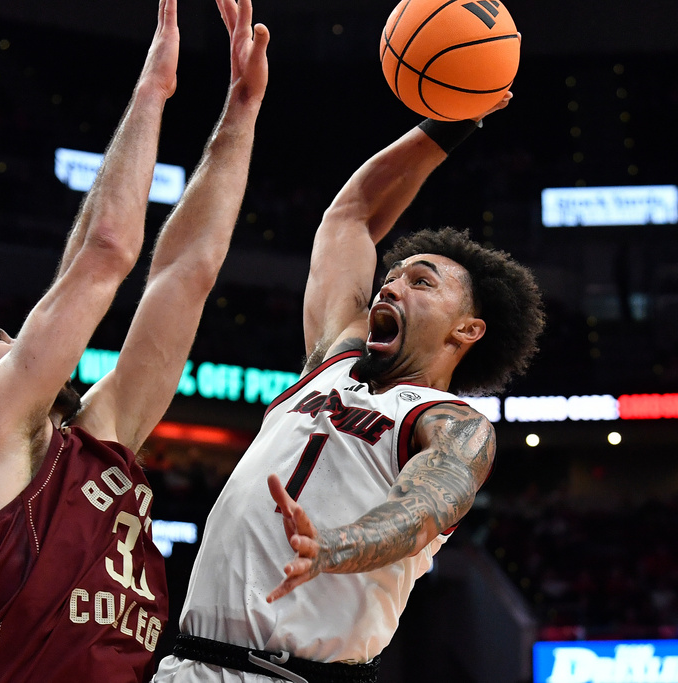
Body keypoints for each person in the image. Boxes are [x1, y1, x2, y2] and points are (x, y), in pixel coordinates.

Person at [0, 0, 269, 681]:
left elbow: (187, 275)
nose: (24, 341)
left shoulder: (98, 440)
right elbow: (104, 254)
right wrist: (151, 95)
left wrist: (239, 114)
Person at [154, 102, 545, 683]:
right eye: (392, 275)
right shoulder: (331, 360)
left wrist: (331, 547)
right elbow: (350, 218)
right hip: (188, 664)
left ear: (467, 329)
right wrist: (451, 123)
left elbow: (423, 508)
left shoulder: (452, 424)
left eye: (421, 282)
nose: (391, 285)